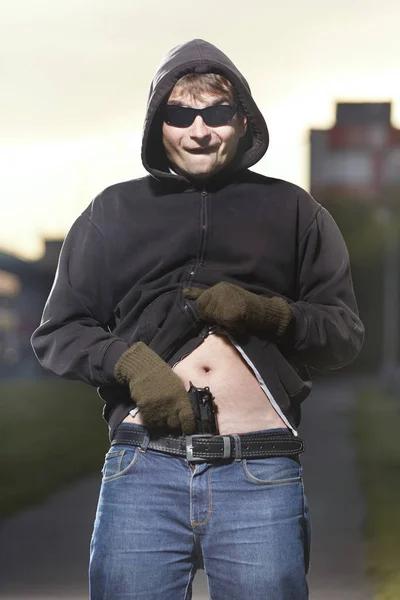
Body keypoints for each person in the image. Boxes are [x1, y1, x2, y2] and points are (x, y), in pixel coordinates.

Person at [31, 39, 364, 600]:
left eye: (217, 113)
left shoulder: (296, 211)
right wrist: (130, 364)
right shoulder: (111, 211)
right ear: (158, 123)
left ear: (243, 119)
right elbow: (58, 332)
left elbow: (343, 336)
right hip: (144, 468)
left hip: (260, 470)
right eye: (180, 114)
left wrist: (269, 314)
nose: (199, 130)